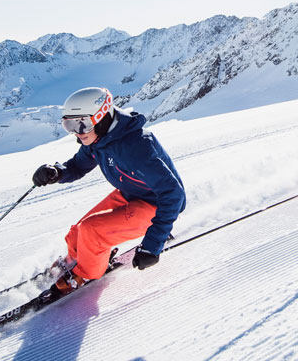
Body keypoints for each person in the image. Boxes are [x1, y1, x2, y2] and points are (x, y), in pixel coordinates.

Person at [31, 87, 186, 294]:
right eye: (70, 125)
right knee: (78, 232)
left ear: (102, 117)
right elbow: (77, 166)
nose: (77, 133)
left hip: (156, 205)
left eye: (82, 124)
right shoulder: (98, 139)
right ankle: (74, 260)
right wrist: (57, 172)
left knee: (92, 232)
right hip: (131, 194)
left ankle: (85, 273)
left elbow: (173, 194)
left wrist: (153, 244)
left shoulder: (136, 146)